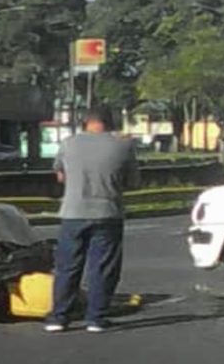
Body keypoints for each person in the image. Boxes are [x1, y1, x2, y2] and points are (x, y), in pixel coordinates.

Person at [44, 106, 139, 334]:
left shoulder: (68, 143)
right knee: (103, 268)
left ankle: (59, 317)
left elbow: (60, 176)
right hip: (108, 212)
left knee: (67, 267)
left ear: (84, 122)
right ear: (110, 122)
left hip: (73, 213)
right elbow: (133, 182)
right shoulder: (124, 145)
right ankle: (96, 318)